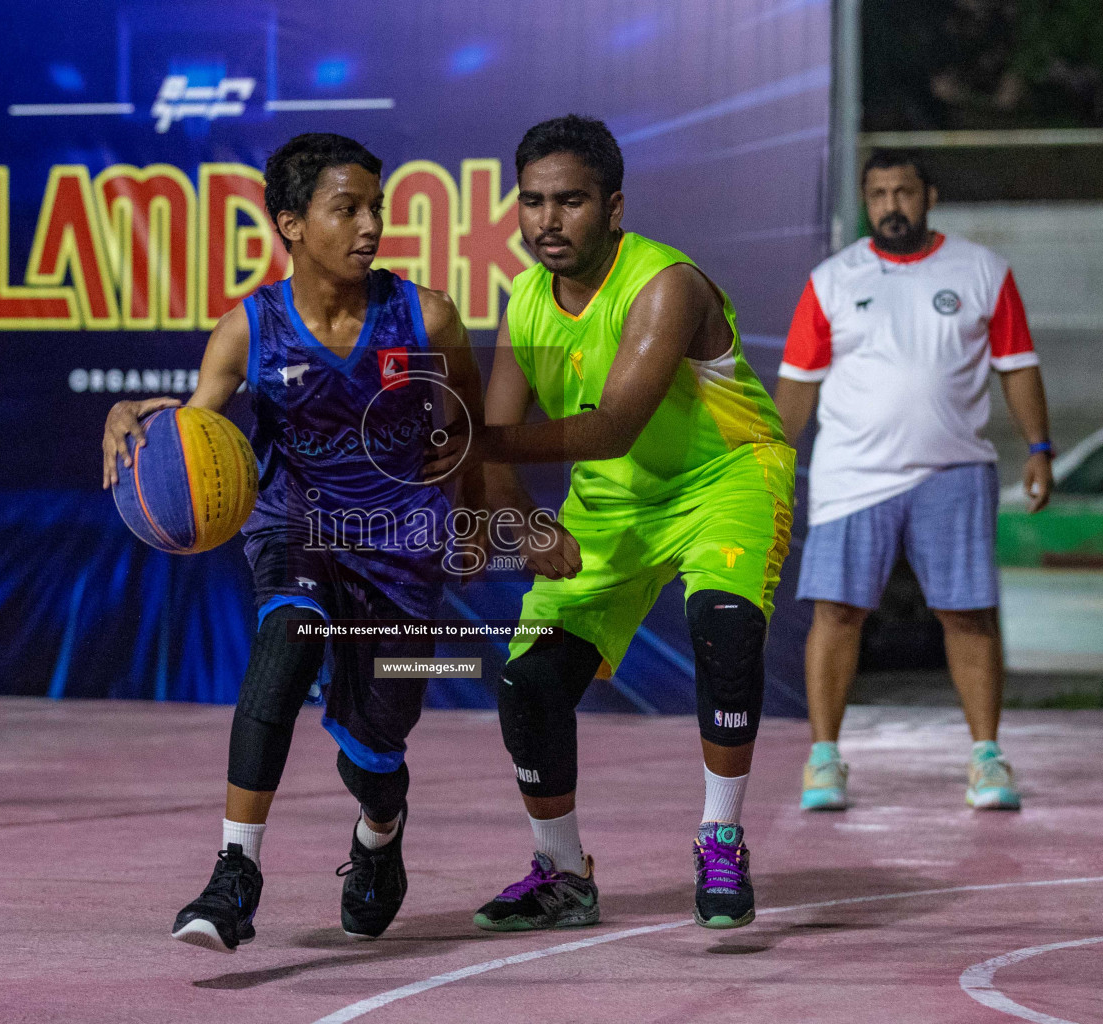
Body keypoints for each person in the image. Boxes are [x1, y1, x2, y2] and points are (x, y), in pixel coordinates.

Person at [102, 133, 483, 952]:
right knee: (288, 639)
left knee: (375, 752)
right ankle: (234, 874)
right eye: (347, 209)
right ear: (292, 224)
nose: (371, 225)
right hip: (294, 527)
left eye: (376, 207)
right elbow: (195, 423)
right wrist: (125, 414)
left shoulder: (429, 316)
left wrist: (471, 514)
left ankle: (381, 835)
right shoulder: (249, 330)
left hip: (401, 547)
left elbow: (465, 430)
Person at [428, 115, 795, 931]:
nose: (548, 221)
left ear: (615, 208)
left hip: (725, 476)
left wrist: (462, 441)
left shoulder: (667, 284)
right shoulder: (524, 300)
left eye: (571, 202)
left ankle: (722, 837)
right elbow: (497, 444)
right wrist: (517, 522)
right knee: (527, 684)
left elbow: (612, 425)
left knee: (725, 629)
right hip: (612, 501)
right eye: (532, 203)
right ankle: (562, 875)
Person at [774, 149, 1052, 813]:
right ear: (865, 201)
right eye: (877, 194)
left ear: (929, 196)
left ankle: (986, 757)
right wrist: (770, 466)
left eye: (903, 192)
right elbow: (796, 386)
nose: (890, 206)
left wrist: (1039, 447)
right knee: (836, 612)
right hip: (852, 476)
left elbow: (1017, 365)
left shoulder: (982, 270)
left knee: (968, 614)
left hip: (954, 470)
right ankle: (824, 760)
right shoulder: (832, 280)